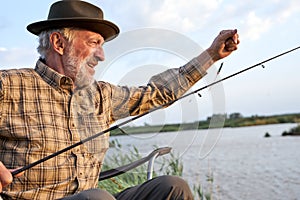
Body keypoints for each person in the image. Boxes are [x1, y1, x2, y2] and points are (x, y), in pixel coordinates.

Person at [0, 0, 239, 200]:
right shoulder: (9, 85)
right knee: (97, 198)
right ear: (59, 43)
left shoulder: (102, 95)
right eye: (93, 43)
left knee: (171, 187)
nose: (101, 56)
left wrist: (210, 55)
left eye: (102, 46)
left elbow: (157, 93)